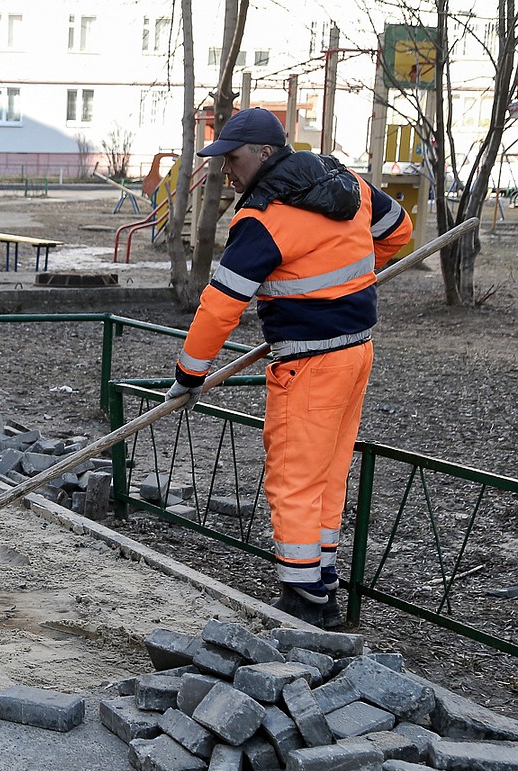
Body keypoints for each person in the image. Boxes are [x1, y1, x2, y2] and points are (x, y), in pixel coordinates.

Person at [165, 108, 413, 628]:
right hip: (355, 353)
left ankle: (303, 601)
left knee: (292, 478)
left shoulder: (262, 219)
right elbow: (398, 230)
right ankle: (321, 580)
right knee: (326, 474)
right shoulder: (344, 180)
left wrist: (190, 375)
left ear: (263, 153)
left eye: (232, 159)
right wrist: (348, 275)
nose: (226, 172)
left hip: (307, 363)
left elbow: (219, 306)